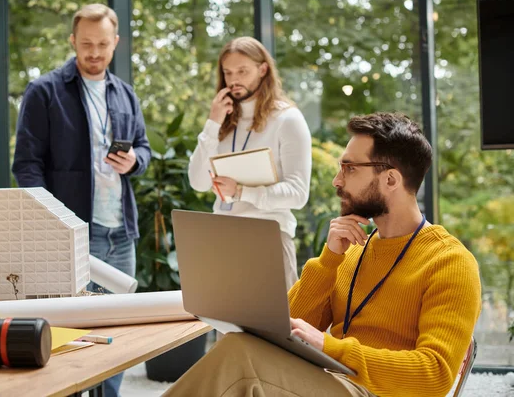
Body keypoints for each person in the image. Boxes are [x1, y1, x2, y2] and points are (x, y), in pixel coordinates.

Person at [165, 112, 482, 397]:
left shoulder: (450, 262)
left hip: (380, 393)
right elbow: (286, 327)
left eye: (350, 168)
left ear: (390, 179)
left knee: (242, 361)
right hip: (333, 382)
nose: (337, 181)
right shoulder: (352, 250)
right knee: (242, 347)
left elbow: (435, 375)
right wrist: (329, 259)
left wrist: (330, 346)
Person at [12, 4, 151, 396]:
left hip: (120, 233)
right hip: (71, 235)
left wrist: (135, 161)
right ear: (73, 41)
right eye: (86, 44)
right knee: (71, 333)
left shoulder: (125, 94)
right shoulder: (45, 91)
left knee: (119, 330)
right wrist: (50, 222)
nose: (94, 52)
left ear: (115, 43)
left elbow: (144, 148)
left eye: (103, 44)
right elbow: (26, 165)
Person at [188, 36, 312, 290]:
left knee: (274, 330)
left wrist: (243, 192)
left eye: (242, 71)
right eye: (228, 72)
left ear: (263, 69)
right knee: (228, 331)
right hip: (224, 239)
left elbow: (298, 194)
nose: (234, 80)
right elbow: (199, 183)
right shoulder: (223, 120)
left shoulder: (288, 119)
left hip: (268, 239)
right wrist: (212, 123)